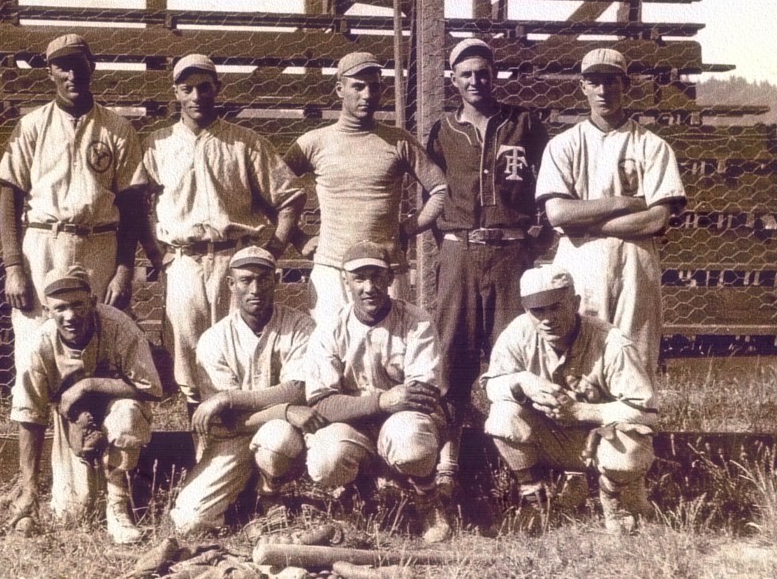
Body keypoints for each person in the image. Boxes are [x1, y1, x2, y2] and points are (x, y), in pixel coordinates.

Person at [138, 54, 305, 407]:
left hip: (235, 257)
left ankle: (244, 449)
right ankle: (201, 449)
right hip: (183, 261)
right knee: (188, 359)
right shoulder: (158, 143)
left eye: (204, 87)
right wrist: (157, 254)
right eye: (187, 89)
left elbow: (290, 196)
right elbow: (139, 204)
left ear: (218, 89)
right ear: (176, 93)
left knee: (237, 353)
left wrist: (270, 250)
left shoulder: (245, 142)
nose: (196, 96)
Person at [0, 33, 146, 420]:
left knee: (93, 345)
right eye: (62, 65)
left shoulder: (117, 128)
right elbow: (9, 196)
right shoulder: (31, 126)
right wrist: (13, 265)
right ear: (50, 72)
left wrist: (125, 270)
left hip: (98, 241)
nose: (72, 72)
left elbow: (131, 206)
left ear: (92, 67)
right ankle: (34, 462)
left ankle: (87, 449)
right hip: (44, 240)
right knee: (34, 345)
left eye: (79, 63)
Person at [425, 38, 549, 499]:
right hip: (459, 253)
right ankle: (446, 464)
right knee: (450, 358)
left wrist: (538, 236)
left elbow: (548, 185)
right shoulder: (442, 131)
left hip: (510, 255)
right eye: (466, 74)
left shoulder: (524, 124)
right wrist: (451, 241)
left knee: (513, 356)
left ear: (493, 74)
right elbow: (429, 195)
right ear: (453, 80)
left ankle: (524, 469)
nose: (476, 81)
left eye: (483, 72)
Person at [535, 48, 686, 375]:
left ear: (626, 85)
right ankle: (577, 426)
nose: (604, 91)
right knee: (580, 358)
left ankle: (632, 427)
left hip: (634, 264)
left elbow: (658, 218)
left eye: (612, 82)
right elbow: (558, 214)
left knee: (635, 358)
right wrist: (624, 202)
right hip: (580, 264)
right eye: (595, 82)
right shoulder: (564, 144)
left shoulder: (651, 145)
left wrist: (590, 225)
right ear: (583, 86)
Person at [481, 264, 657, 535]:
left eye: (556, 307)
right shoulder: (518, 332)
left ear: (575, 302)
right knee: (503, 415)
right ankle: (533, 500)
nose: (547, 318)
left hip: (600, 440)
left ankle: (615, 498)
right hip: (549, 438)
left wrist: (581, 411)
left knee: (630, 452)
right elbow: (492, 387)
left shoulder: (611, 342)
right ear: (526, 309)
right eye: (537, 310)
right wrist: (522, 381)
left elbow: (645, 411)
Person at [303, 240, 452, 544]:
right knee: (326, 460)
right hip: (354, 427)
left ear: (390, 279)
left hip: (401, 423)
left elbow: (422, 396)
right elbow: (321, 403)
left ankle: (427, 496)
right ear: (347, 282)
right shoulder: (330, 327)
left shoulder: (416, 322)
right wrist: (384, 400)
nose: (368, 287)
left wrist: (357, 405)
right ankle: (362, 488)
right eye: (359, 278)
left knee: (411, 441)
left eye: (376, 276)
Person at [284, 51, 447, 324]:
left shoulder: (399, 141)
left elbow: (441, 190)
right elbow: (274, 194)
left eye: (374, 86)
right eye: (358, 86)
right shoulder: (314, 143)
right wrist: (299, 238)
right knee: (331, 354)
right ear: (339, 89)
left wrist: (407, 228)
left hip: (386, 270)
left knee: (391, 353)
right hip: (332, 271)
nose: (367, 94)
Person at [169, 246, 322, 534]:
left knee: (277, 437)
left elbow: (297, 389)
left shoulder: (300, 326)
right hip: (236, 437)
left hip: (287, 435)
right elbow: (229, 421)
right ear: (231, 284)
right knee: (190, 521)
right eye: (245, 280)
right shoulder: (214, 339)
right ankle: (245, 502)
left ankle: (271, 497)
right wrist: (284, 410)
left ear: (276, 280)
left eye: (264, 279)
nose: (255, 289)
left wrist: (230, 398)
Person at [9, 266, 163, 543]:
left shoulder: (120, 326)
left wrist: (87, 385)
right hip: (71, 421)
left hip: (117, 410)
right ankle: (127, 483)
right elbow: (29, 416)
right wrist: (29, 487)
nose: (70, 316)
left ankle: (118, 505)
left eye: (78, 305)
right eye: (60, 308)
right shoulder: (39, 345)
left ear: (93, 301)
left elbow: (151, 389)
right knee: (73, 512)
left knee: (126, 415)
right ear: (46, 310)